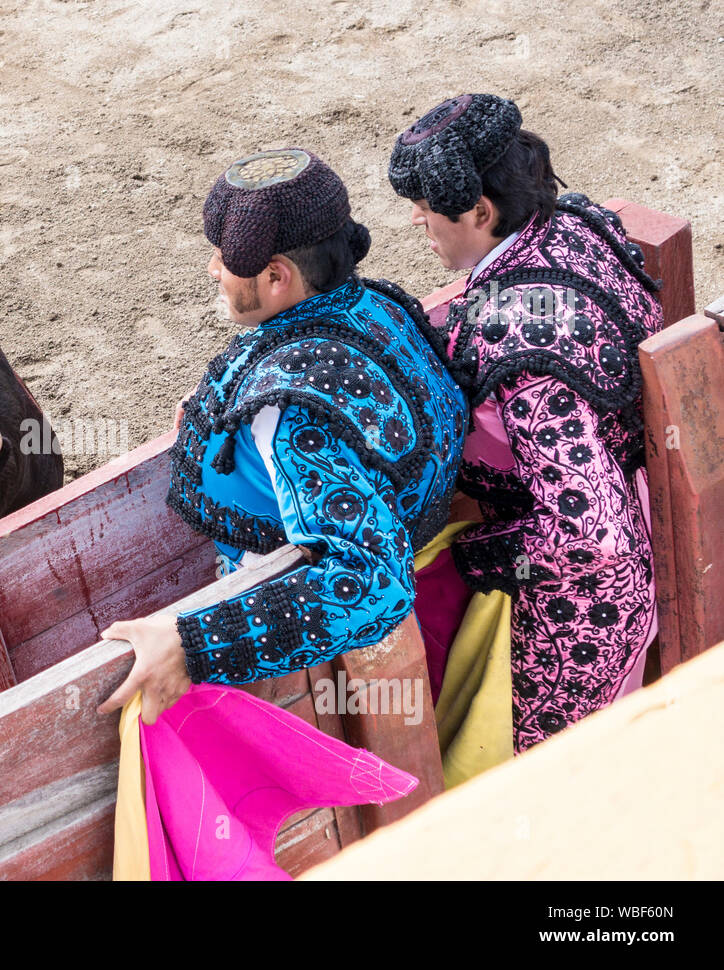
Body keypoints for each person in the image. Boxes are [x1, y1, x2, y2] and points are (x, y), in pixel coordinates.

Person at [99, 148, 467, 725]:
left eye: (224, 260)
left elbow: (371, 582)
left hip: (336, 677)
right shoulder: (377, 304)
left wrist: (195, 645)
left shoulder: (292, 414)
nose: (213, 271)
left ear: (277, 276)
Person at [387, 93, 663, 752]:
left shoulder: (517, 342)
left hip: (585, 613)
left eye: (429, 218)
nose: (422, 229)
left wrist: (473, 558)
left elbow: (595, 537)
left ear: (480, 212)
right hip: (642, 495)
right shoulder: (573, 221)